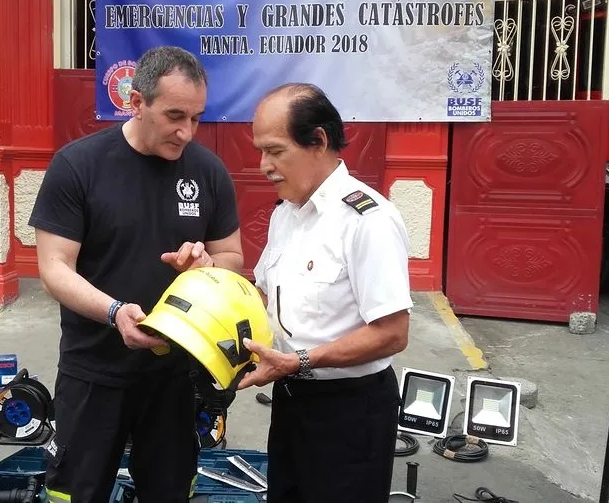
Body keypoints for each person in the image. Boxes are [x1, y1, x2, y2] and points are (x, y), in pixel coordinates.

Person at [28, 45, 243, 503]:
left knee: (169, 491)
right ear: (136, 102)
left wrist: (207, 266)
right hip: (94, 370)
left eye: (196, 118)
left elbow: (232, 255)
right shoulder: (78, 166)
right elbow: (53, 268)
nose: (187, 132)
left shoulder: (207, 171)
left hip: (175, 374)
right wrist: (114, 312)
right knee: (76, 493)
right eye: (174, 116)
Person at [237, 82, 413, 503]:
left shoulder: (367, 220)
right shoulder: (286, 214)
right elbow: (264, 297)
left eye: (275, 151)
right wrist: (210, 281)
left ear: (318, 141)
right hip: (291, 398)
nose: (263, 166)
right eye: (261, 151)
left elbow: (392, 333)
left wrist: (300, 360)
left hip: (350, 411)